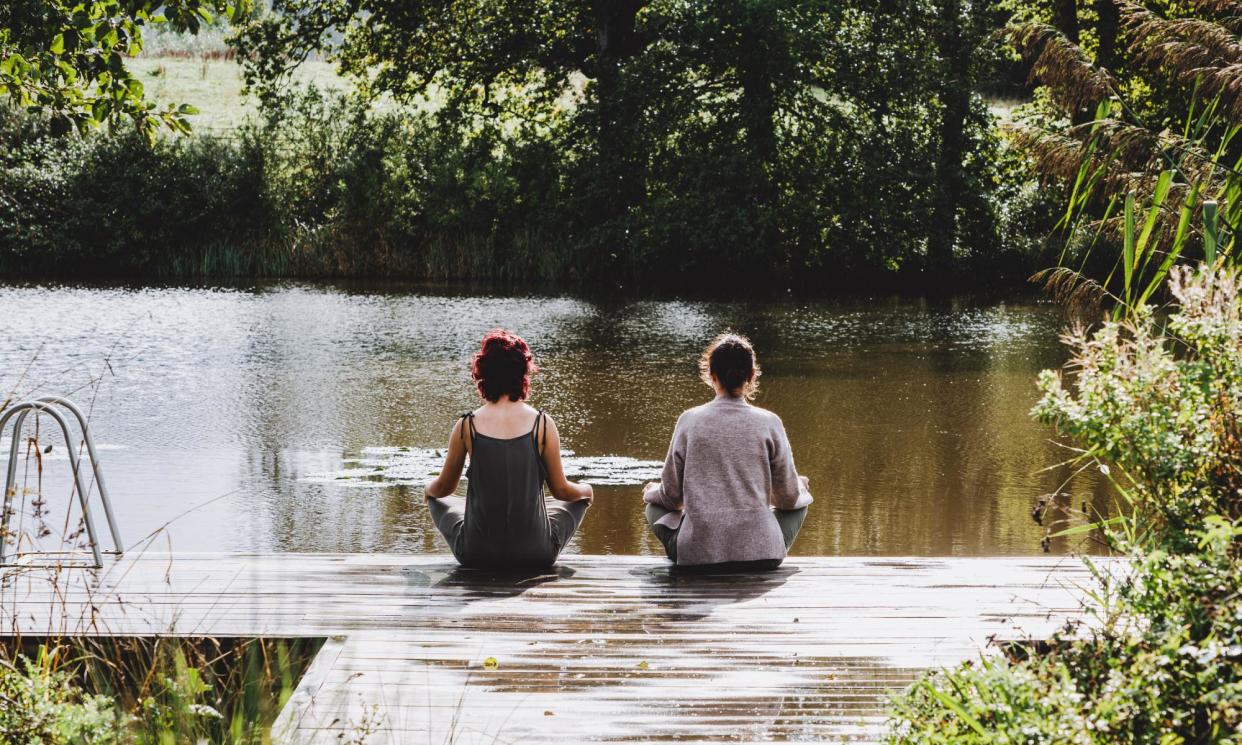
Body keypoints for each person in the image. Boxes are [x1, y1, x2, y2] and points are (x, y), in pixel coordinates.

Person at [424, 329, 593, 568]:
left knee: (439, 500)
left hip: (476, 554)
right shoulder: (542, 424)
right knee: (577, 499)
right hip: (536, 555)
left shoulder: (466, 426)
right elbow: (562, 491)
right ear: (523, 373)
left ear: (482, 373)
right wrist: (587, 490)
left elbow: (444, 488)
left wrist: (427, 489)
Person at [643, 332, 811, 570]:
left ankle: (694, 544)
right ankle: (758, 549)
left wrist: (652, 491)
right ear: (751, 376)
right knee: (801, 503)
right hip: (762, 556)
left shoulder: (689, 421)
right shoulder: (770, 422)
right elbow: (787, 498)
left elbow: (671, 497)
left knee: (654, 508)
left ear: (711, 375)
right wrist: (800, 486)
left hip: (699, 558)